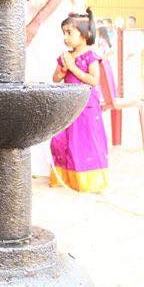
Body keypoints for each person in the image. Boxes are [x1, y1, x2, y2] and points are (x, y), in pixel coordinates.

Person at [21, 0, 80, 176]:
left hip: (49, 25)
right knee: (25, 87)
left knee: (48, 86)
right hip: (23, 24)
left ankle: (52, 162)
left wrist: (36, 23)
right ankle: (30, 161)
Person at [50, 10, 108, 192]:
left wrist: (73, 67)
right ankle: (65, 177)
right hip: (68, 105)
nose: (65, 38)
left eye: (69, 33)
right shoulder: (66, 55)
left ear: (85, 35)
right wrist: (62, 69)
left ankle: (87, 181)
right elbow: (56, 78)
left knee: (84, 141)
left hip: (86, 106)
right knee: (63, 140)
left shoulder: (91, 56)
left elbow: (93, 80)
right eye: (64, 33)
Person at [122, 15, 144, 99]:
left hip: (134, 59)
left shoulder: (138, 33)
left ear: (135, 23)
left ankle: (135, 95)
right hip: (124, 58)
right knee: (125, 76)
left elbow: (141, 45)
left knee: (134, 76)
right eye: (128, 21)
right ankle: (126, 94)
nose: (129, 23)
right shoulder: (124, 32)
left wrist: (133, 53)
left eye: (131, 21)